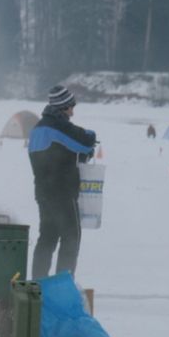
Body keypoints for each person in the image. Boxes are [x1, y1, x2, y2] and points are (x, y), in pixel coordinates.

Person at [28, 85, 97, 279]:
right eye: (71, 106)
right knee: (71, 238)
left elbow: (58, 155)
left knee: (47, 239)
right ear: (63, 107)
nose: (73, 111)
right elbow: (86, 139)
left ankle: (38, 284)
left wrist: (79, 155)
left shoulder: (38, 129)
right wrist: (87, 147)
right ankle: (63, 285)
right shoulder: (58, 126)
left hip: (43, 193)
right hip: (64, 194)